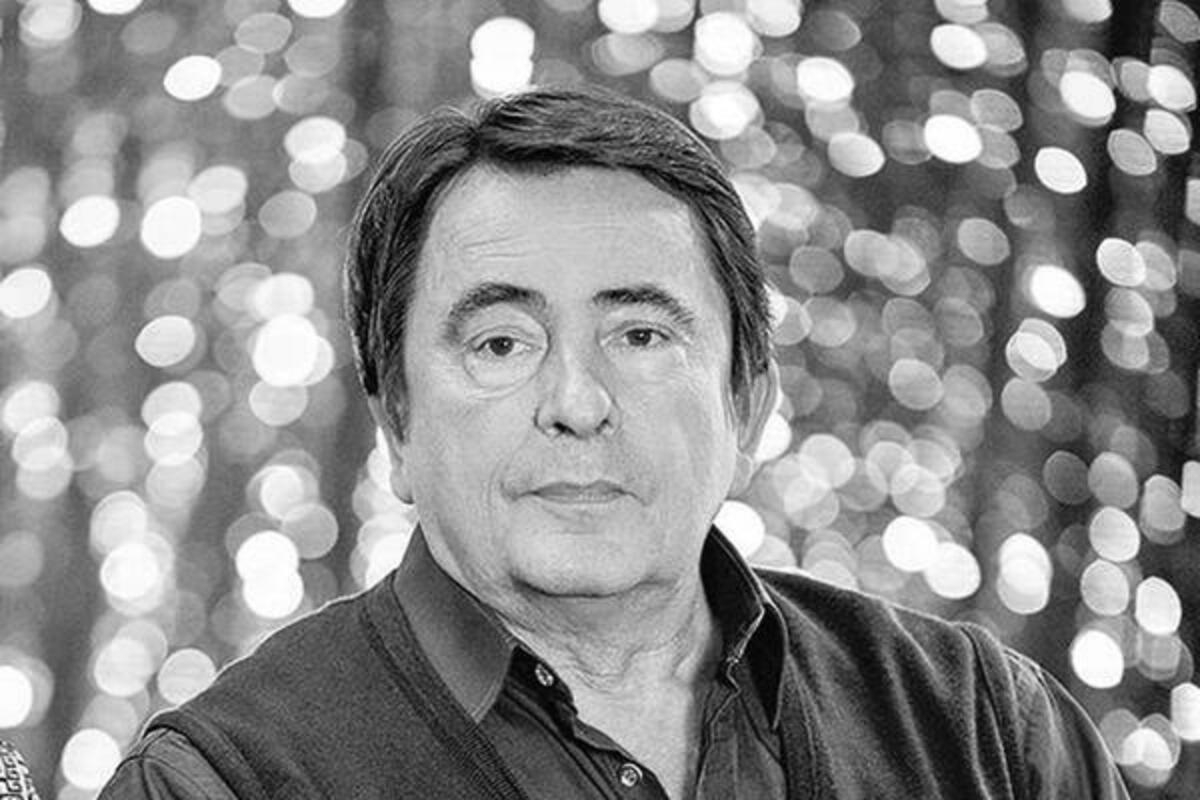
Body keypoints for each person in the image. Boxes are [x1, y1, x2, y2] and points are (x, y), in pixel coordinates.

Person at [100, 85, 1129, 799]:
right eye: (501, 342)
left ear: (748, 407)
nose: (577, 401)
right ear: (396, 425)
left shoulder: (989, 733)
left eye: (641, 335)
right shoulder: (223, 778)